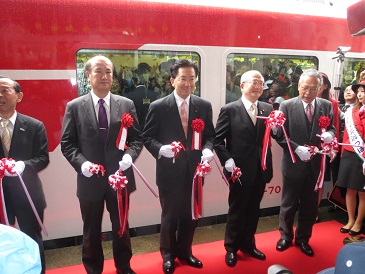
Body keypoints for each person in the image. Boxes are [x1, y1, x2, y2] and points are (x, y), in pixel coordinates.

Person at [61, 56, 143, 274]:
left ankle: (124, 266)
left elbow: (136, 139)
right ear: (88, 75)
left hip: (120, 178)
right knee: (91, 230)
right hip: (90, 180)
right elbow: (67, 144)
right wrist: (82, 164)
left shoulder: (126, 104)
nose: (104, 76)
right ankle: (93, 268)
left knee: (121, 227)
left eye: (108, 71)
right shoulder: (75, 107)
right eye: (99, 71)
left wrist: (130, 157)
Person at [142, 59, 215, 274]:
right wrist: (160, 149)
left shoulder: (203, 106)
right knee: (169, 216)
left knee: (190, 215)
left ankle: (185, 251)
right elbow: (147, 137)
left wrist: (209, 150)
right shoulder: (159, 107)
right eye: (183, 78)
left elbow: (210, 136)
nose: (188, 83)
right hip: (169, 173)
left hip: (195, 172)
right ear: (173, 80)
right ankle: (168, 255)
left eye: (192, 79)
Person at [215, 70, 275, 267]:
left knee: (253, 209)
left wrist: (284, 135)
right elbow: (218, 141)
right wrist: (227, 160)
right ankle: (231, 247)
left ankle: (248, 244)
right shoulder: (230, 109)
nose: (258, 86)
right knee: (237, 208)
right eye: (254, 82)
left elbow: (273, 135)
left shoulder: (267, 108)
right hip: (239, 170)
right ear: (242, 85)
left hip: (261, 168)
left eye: (261, 82)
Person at [275, 69, 336, 257]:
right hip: (293, 163)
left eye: (313, 88)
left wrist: (330, 135)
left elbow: (332, 128)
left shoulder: (326, 105)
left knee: (310, 206)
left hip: (315, 165)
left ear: (320, 88)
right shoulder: (286, 105)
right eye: (304, 88)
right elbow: (279, 134)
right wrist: (296, 148)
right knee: (288, 203)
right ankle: (285, 236)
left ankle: (303, 238)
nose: (308, 92)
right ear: (298, 86)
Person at [0, 76, 49, 273]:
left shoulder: (34, 126)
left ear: (19, 96)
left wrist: (22, 166)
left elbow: (42, 158)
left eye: (4, 90)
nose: (0, 95)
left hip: (28, 194)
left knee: (32, 238)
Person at [336, 80, 365, 236]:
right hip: (349, 152)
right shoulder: (350, 111)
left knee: (362, 192)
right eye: (358, 91)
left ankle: (359, 222)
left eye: (363, 91)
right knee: (350, 189)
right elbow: (347, 134)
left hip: (363, 157)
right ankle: (350, 219)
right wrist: (342, 153)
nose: (360, 94)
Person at [316, 73, 339, 217]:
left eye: (319, 83)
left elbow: (334, 126)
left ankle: (314, 210)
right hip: (306, 147)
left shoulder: (332, 103)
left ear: (325, 86)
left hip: (323, 147)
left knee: (320, 180)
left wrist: (332, 147)